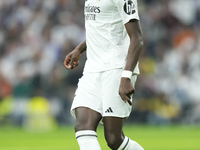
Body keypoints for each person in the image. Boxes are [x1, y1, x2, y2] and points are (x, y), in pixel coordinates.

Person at [63, 0, 144, 149]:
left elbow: (137, 38)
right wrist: (79, 49)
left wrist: (126, 76)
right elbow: (102, 28)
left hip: (117, 68)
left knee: (114, 139)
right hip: (92, 69)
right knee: (83, 126)